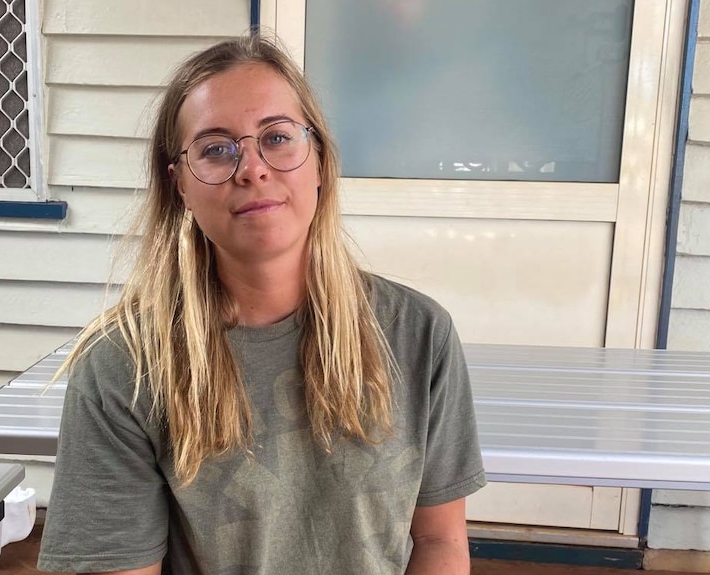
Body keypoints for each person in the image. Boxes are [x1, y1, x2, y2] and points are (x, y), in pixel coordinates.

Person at [37, 34, 485, 575]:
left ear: (318, 159)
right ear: (180, 185)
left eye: (277, 137)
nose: (252, 168)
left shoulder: (419, 335)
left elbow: (439, 541)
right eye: (216, 148)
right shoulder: (124, 367)